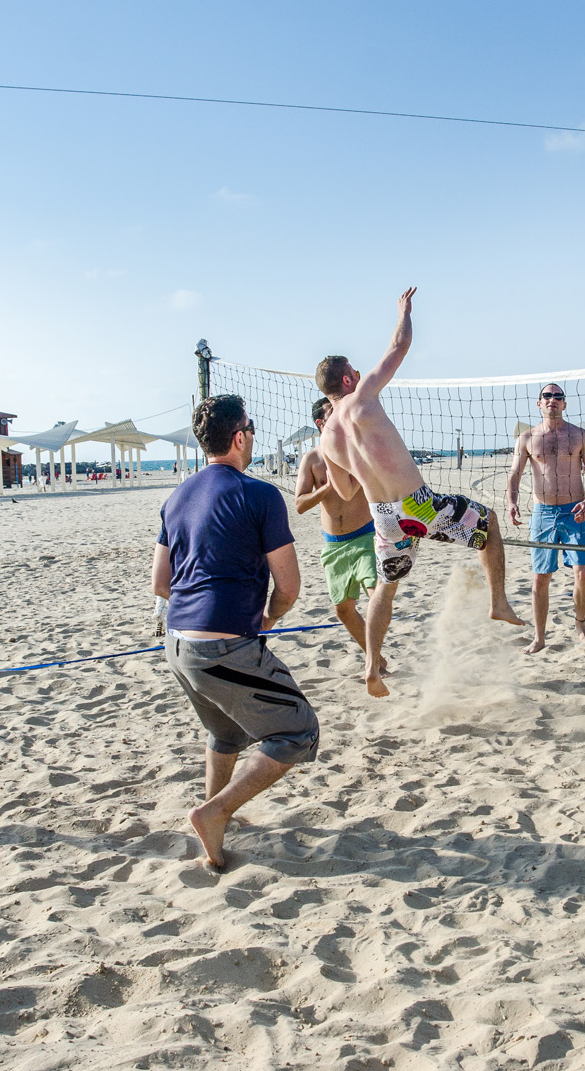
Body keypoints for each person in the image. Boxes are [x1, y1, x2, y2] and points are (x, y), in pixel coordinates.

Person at [315, 288, 525, 697]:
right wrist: (404, 312)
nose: (359, 375)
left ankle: (372, 664)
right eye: (354, 372)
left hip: (384, 518)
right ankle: (498, 602)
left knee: (385, 587)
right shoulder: (361, 399)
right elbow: (400, 345)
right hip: (418, 506)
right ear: (347, 379)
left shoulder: (326, 441)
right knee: (489, 523)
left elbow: (343, 488)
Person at [153, 394, 318, 870]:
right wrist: (268, 616)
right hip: (222, 645)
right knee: (299, 730)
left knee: (224, 731)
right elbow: (288, 587)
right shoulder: (260, 494)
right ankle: (216, 810)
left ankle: (217, 814)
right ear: (240, 436)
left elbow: (160, 584)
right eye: (252, 427)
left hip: (177, 642)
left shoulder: (177, 495)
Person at [507, 383, 585, 653]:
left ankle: (580, 623)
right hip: (543, 513)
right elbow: (514, 474)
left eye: (558, 397)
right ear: (539, 403)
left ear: (564, 404)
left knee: (582, 573)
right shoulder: (527, 437)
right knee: (540, 578)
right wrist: (512, 502)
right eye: (547, 396)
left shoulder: (580, 435)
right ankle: (539, 637)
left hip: (576, 511)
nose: (552, 400)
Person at [294, 396, 384, 674]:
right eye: (334, 412)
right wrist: (325, 488)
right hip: (334, 545)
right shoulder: (311, 459)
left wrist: (342, 477)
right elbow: (299, 504)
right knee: (343, 611)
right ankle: (377, 661)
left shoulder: (355, 449)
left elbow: (359, 485)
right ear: (321, 423)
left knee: (376, 596)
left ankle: (372, 665)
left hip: (366, 538)